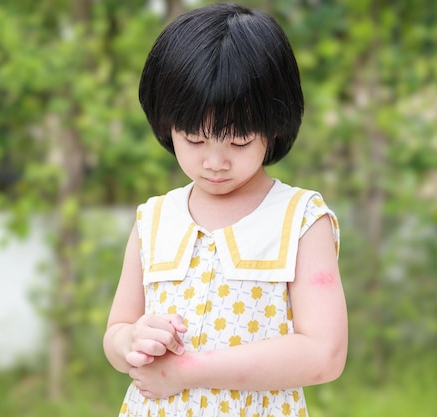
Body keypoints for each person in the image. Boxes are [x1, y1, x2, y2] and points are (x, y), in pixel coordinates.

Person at [103, 3, 348, 416]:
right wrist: (130, 342)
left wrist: (188, 371)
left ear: (274, 125)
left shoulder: (301, 219)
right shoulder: (154, 220)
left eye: (237, 143)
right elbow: (116, 331)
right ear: (166, 125)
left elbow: (324, 354)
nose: (215, 161)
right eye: (195, 141)